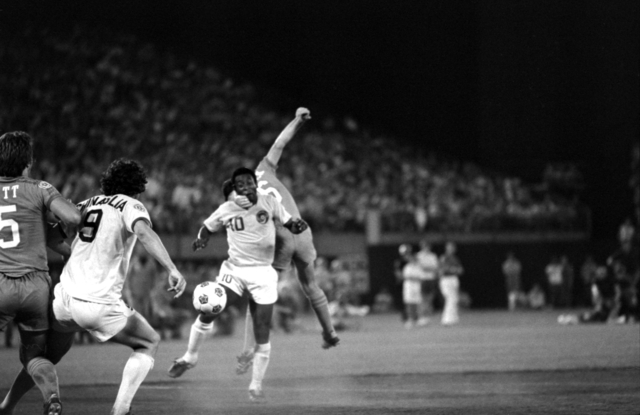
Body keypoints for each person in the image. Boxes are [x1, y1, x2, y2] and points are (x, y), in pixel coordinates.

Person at [1, 158, 187, 415]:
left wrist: (66, 250)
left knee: (43, 358)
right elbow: (144, 233)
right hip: (98, 304)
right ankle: (120, 410)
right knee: (148, 341)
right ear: (138, 187)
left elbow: (51, 225)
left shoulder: (86, 203)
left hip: (64, 301)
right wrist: (172, 268)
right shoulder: (132, 205)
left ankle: (7, 406)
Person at [168, 168, 309, 402]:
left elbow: (288, 222)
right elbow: (207, 226)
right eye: (239, 183)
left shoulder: (270, 202)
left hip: (263, 272)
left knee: (262, 328)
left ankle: (255, 385)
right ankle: (190, 356)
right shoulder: (226, 208)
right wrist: (202, 238)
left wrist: (297, 226)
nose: (244, 185)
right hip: (234, 270)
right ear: (234, 188)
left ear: (255, 184)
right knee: (211, 307)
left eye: (248, 181)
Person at [234, 107, 339, 351]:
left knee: (259, 292)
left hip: (281, 235)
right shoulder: (263, 169)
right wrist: (297, 120)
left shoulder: (245, 201)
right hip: (302, 231)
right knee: (310, 285)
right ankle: (329, 332)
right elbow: (280, 143)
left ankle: (250, 348)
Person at [0, 131, 81, 415]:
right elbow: (72, 218)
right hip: (35, 286)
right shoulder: (39, 188)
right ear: (29, 161)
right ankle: (52, 400)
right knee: (35, 355)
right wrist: (62, 212)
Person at [400, 246, 428, 329]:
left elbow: (421, 277)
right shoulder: (407, 267)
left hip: (416, 286)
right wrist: (413, 278)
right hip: (409, 286)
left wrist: (413, 277)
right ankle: (410, 320)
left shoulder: (418, 267)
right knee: (409, 303)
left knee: (418, 303)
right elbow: (405, 277)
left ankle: (419, 318)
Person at [438, 241, 464, 325]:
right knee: (450, 298)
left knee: (455, 299)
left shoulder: (455, 258)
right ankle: (446, 319)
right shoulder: (444, 257)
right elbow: (442, 270)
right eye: (450, 247)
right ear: (446, 248)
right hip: (446, 279)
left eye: (453, 247)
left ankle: (453, 318)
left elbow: (460, 270)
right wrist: (453, 269)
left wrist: (454, 270)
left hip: (453, 279)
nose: (452, 249)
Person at [416, 240, 438, 320]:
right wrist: (429, 268)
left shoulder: (433, 256)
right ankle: (422, 315)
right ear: (422, 247)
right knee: (422, 298)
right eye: (424, 246)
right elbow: (420, 267)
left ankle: (427, 314)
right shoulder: (418, 255)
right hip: (423, 279)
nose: (426, 248)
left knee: (430, 297)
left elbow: (435, 268)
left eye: (427, 246)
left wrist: (427, 268)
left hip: (431, 279)